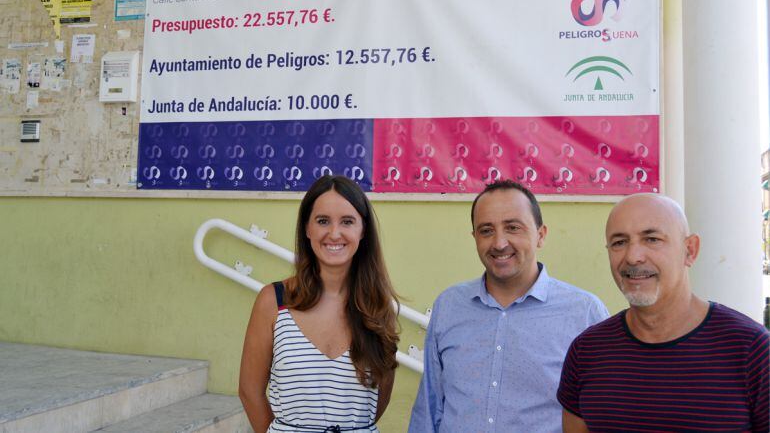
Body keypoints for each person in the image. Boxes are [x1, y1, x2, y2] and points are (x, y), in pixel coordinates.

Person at [408, 180, 609, 433]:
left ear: (541, 235)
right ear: (474, 238)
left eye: (513, 227)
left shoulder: (584, 313)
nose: (499, 243)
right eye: (486, 230)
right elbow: (430, 407)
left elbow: (601, 415)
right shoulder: (449, 306)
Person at [558, 194, 770, 432]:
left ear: (690, 251)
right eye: (619, 242)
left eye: (651, 239)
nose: (633, 256)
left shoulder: (751, 350)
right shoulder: (586, 352)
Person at [239, 175, 400, 432]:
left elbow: (380, 399)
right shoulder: (273, 301)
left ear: (363, 230)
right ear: (307, 228)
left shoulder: (379, 306)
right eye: (323, 221)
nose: (334, 233)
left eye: (347, 221)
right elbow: (250, 391)